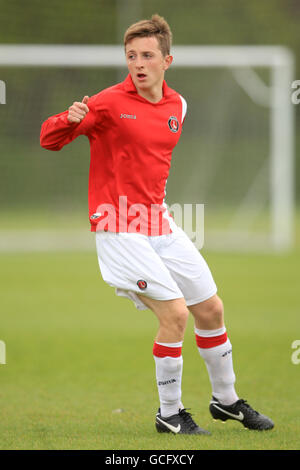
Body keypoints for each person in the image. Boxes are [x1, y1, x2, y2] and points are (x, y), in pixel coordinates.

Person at [40, 14, 274, 434]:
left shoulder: (177, 106)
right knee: (175, 315)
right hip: (117, 225)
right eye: (131, 55)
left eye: (147, 55)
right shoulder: (108, 102)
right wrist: (69, 119)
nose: (138, 63)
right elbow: (48, 138)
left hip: (159, 222)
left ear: (167, 60)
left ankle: (227, 402)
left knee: (211, 308)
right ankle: (169, 414)